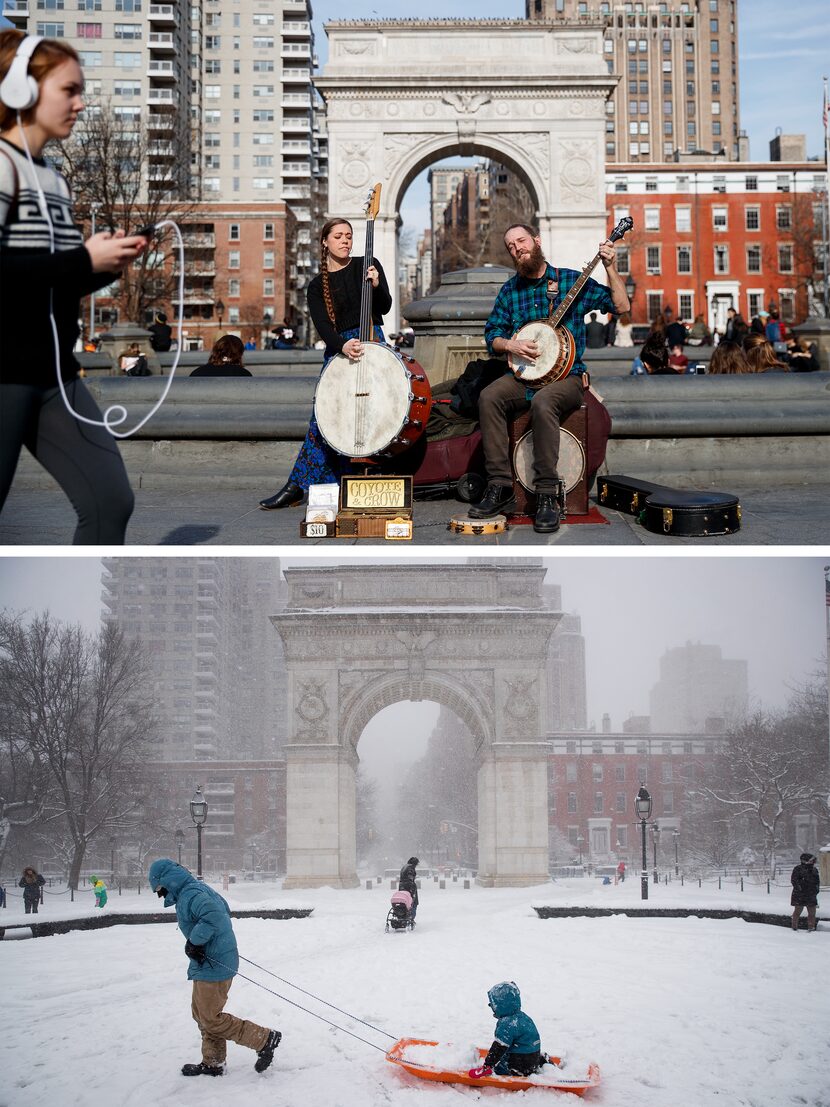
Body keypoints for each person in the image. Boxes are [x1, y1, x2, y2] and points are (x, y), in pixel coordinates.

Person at [0, 30, 148, 544]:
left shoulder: (55, 180)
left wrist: (107, 265)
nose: (81, 104)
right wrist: (82, 258)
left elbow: (57, 277)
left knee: (112, 502)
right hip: (4, 373)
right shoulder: (0, 166)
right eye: (70, 90)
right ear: (22, 89)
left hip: (56, 376)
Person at [467, 223, 628, 533]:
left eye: (522, 240)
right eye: (511, 245)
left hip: (567, 377)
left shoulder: (570, 280)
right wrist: (511, 344)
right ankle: (500, 485)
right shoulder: (510, 290)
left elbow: (621, 305)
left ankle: (546, 494)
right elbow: (492, 336)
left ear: (536, 241)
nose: (517, 248)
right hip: (524, 375)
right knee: (489, 397)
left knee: (544, 402)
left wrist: (610, 267)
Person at [258, 217, 392, 509]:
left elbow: (384, 307)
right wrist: (342, 345)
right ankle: (298, 485)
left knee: (372, 413)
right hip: (339, 349)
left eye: (349, 236)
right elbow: (322, 325)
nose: (345, 241)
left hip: (372, 343)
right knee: (325, 418)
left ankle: (357, 481)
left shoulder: (367, 265)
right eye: (339, 236)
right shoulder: (318, 285)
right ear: (325, 242)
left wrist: (378, 284)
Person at [148, 857, 282, 1077]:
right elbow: (220, 911)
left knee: (210, 1017)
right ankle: (213, 1063)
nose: (160, 894)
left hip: (213, 963)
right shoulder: (191, 890)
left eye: (160, 888)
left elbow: (217, 917)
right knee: (202, 1014)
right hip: (210, 960)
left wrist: (195, 941)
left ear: (167, 881)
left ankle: (264, 1038)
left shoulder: (191, 894)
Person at [467, 981, 546, 1079]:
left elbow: (499, 1047)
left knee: (500, 1063)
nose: (490, 1006)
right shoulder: (523, 1017)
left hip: (520, 1065)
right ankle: (541, 1060)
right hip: (533, 1058)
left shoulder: (507, 1024)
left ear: (502, 1005)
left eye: (493, 1003)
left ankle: (502, 1069)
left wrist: (488, 1065)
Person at [790, 852, 819, 932]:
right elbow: (794, 881)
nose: (812, 862)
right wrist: (800, 889)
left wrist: (816, 890)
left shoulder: (814, 870)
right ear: (804, 860)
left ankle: (811, 928)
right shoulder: (797, 869)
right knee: (797, 912)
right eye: (811, 860)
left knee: (812, 913)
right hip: (800, 895)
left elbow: (817, 881)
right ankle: (794, 927)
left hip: (811, 895)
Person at [398, 856, 419, 925]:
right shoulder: (410, 868)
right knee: (413, 902)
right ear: (414, 864)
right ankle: (410, 918)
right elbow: (410, 878)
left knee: (403, 902)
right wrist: (412, 888)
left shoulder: (404, 867)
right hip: (409, 887)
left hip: (401, 887)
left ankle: (401, 916)